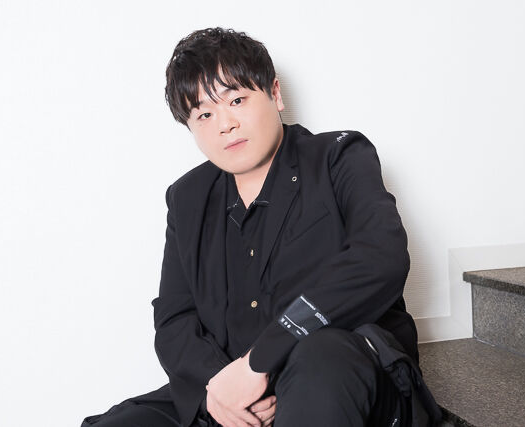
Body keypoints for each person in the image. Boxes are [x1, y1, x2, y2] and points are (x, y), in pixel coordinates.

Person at [81, 27, 437, 427]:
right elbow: (174, 319)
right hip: (230, 390)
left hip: (337, 376)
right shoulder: (186, 198)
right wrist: (221, 391)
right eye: (204, 114)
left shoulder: (338, 157)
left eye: (236, 100)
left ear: (275, 93)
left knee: (321, 362)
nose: (225, 124)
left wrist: (259, 362)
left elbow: (380, 258)